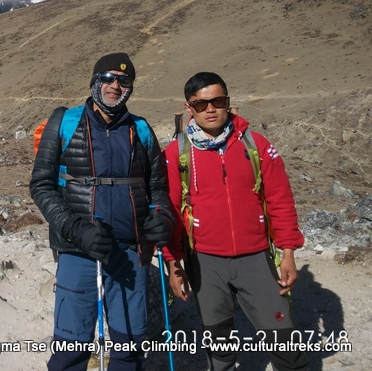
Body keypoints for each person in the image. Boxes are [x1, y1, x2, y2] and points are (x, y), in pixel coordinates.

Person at [30, 52, 174, 371]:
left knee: (130, 350)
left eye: (124, 81)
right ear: (95, 82)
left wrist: (162, 217)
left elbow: (158, 188)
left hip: (130, 254)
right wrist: (76, 229)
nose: (115, 85)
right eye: (108, 78)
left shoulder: (142, 130)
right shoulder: (64, 122)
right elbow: (41, 185)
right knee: (71, 350)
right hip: (77, 251)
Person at [162, 71, 309, 371]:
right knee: (220, 350)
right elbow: (171, 214)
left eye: (218, 101)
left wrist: (289, 254)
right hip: (204, 261)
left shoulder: (255, 145)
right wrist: (173, 264)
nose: (211, 109)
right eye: (201, 104)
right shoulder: (177, 153)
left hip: (256, 257)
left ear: (229, 103)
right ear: (189, 108)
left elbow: (280, 201)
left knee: (285, 344)